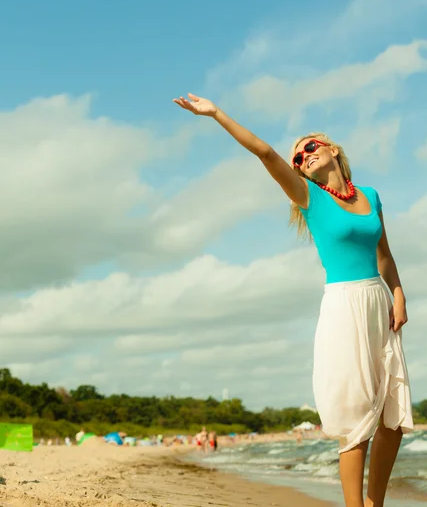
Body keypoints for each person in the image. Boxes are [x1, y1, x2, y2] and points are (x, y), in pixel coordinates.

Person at [172, 93, 413, 507]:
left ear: (333, 149)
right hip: (344, 308)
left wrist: (399, 293)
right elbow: (265, 152)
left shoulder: (371, 196)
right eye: (298, 158)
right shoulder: (309, 198)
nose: (302, 158)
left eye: (309, 148)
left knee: (392, 419)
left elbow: (385, 256)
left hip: (379, 304)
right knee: (355, 422)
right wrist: (215, 114)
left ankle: (376, 503)